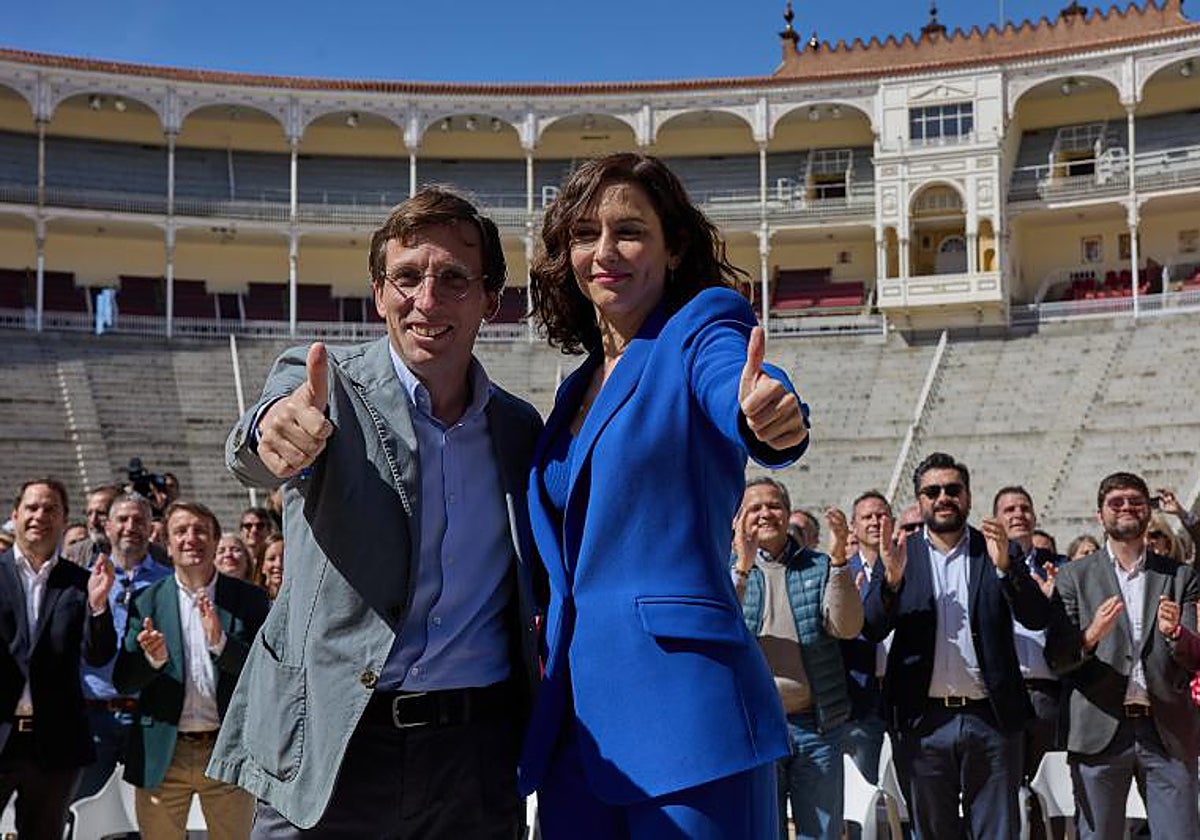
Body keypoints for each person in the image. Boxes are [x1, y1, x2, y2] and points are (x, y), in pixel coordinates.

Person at [209, 187, 543, 837]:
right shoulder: (325, 384)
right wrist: (273, 431)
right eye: (407, 278)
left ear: (490, 301)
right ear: (378, 293)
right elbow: (256, 444)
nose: (426, 300)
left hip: (472, 757)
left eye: (452, 279)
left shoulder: (519, 429)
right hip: (333, 741)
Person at [519, 152, 809, 838]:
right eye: (585, 234)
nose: (604, 251)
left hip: (687, 716)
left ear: (674, 247)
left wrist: (763, 411)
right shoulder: (575, 387)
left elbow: (733, 382)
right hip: (577, 727)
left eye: (630, 231)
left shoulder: (700, 328)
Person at [862, 453, 1049, 840]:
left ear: (967, 496)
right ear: (920, 500)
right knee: (932, 832)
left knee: (997, 831)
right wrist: (891, 585)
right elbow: (872, 627)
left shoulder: (997, 549)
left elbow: (1036, 617)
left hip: (991, 720)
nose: (943, 497)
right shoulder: (900, 553)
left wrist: (1006, 570)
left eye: (952, 489)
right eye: (933, 491)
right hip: (922, 721)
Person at [1045, 471, 1200, 840]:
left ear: (1148, 512)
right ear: (1100, 516)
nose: (1127, 507)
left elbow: (1195, 657)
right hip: (1099, 729)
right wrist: (1090, 636)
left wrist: (1175, 633)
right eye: (1116, 502)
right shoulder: (1073, 578)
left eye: (1135, 501)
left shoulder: (1180, 576)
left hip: (1166, 731)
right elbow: (1058, 658)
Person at [113, 500, 269, 839]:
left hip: (228, 752)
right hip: (163, 755)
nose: (191, 538)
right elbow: (124, 681)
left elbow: (266, 676)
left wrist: (222, 645)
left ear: (215, 540)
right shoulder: (147, 602)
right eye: (180, 531)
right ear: (167, 545)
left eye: (200, 530)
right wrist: (153, 659)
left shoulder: (249, 600)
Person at [733, 479, 862, 840]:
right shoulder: (724, 568)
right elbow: (720, 627)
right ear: (738, 518)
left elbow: (847, 626)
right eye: (754, 508)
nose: (764, 514)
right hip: (757, 726)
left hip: (817, 726)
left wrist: (839, 565)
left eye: (773, 506)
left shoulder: (820, 566)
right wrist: (741, 569)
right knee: (762, 830)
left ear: (788, 513)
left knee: (820, 832)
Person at [0, 478, 116, 836]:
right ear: (15, 515)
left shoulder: (82, 582)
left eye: (51, 509)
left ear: (64, 519)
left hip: (55, 745)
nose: (40, 516)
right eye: (32, 508)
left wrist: (98, 608)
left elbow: (97, 656)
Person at [77, 492, 172, 799]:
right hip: (93, 717)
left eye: (139, 520)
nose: (131, 526)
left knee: (149, 818)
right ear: (107, 527)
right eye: (122, 519)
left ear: (151, 528)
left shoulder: (170, 581)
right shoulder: (84, 578)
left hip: (149, 718)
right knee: (82, 814)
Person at [992, 485, 1066, 840]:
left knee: (1044, 794)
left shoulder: (1060, 568)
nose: (1018, 514)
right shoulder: (982, 566)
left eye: (1024, 508)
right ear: (996, 520)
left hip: (1046, 694)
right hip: (1001, 694)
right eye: (1009, 510)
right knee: (1001, 789)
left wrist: (1053, 604)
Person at [841, 491, 893, 784]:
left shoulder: (909, 567)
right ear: (853, 527)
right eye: (867, 517)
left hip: (907, 695)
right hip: (861, 699)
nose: (875, 522)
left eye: (881, 515)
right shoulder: (840, 575)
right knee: (863, 799)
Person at [256, 534, 284, 600]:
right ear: (262, 566)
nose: (278, 564)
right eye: (271, 559)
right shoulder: (252, 599)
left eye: (284, 558)